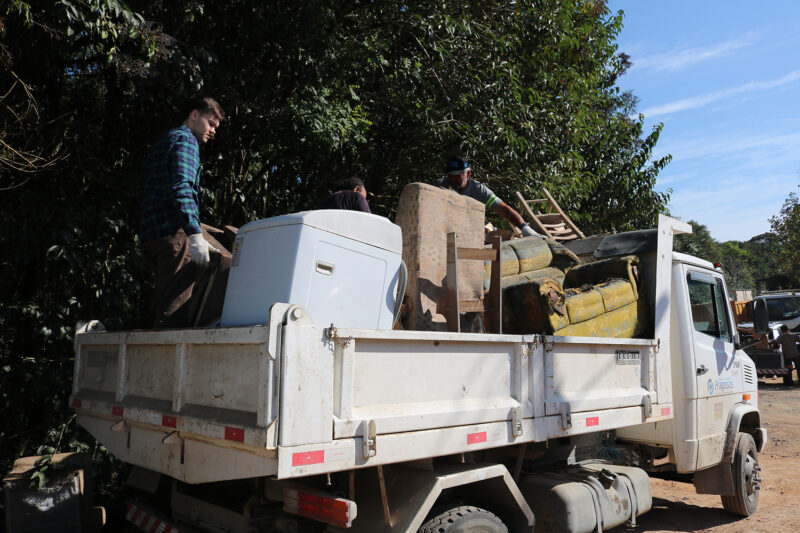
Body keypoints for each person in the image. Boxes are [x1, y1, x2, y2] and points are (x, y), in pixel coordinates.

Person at [139, 95, 225, 328]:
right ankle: (164, 363)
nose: (213, 131)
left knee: (161, 300)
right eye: (211, 123)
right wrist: (194, 234)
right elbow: (182, 188)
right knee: (174, 313)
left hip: (152, 234)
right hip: (172, 234)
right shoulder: (186, 141)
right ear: (194, 115)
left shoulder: (165, 140)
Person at [436, 155, 540, 237]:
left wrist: (524, 227)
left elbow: (503, 209)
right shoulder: (438, 187)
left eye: (457, 176)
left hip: (471, 234)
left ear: (468, 174)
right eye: (450, 176)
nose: (453, 179)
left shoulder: (479, 190)